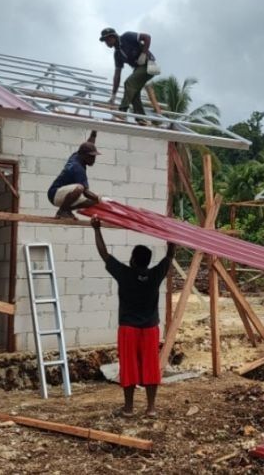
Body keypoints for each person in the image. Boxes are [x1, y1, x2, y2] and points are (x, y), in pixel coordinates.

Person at [92, 216, 175, 418]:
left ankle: (129, 408)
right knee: (150, 367)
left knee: (128, 367)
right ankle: (151, 408)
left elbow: (104, 254)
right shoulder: (155, 275)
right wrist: (172, 235)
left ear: (132, 260)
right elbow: (169, 257)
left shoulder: (125, 273)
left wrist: (96, 228)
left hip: (128, 329)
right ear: (147, 261)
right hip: (149, 329)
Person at [99, 27, 157, 118]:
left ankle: (122, 112)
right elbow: (117, 76)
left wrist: (144, 53)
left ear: (113, 37)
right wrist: (113, 95)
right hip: (139, 68)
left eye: (108, 39)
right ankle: (141, 118)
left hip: (151, 65)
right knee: (134, 92)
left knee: (129, 83)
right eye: (105, 41)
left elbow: (147, 37)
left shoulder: (127, 37)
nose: (107, 43)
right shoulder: (117, 54)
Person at [47, 131, 101, 219]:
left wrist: (93, 134)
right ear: (84, 155)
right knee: (80, 188)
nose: (93, 159)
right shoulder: (77, 168)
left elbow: (89, 144)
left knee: (92, 202)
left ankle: (66, 209)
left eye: (94, 156)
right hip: (55, 194)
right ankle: (62, 211)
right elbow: (85, 192)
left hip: (67, 194)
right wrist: (98, 199)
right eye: (91, 157)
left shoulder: (77, 155)